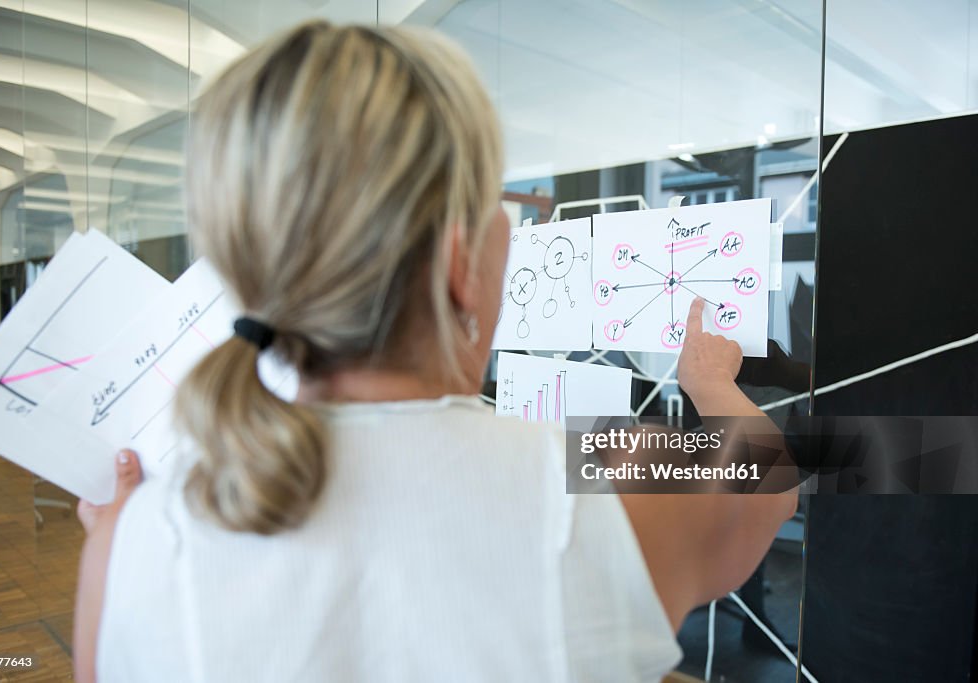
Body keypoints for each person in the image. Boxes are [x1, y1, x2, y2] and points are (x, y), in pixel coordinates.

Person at [73, 21, 796, 683]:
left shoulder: (130, 542)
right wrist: (712, 386)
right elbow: (768, 481)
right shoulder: (610, 478)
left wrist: (127, 536)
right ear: (458, 261)